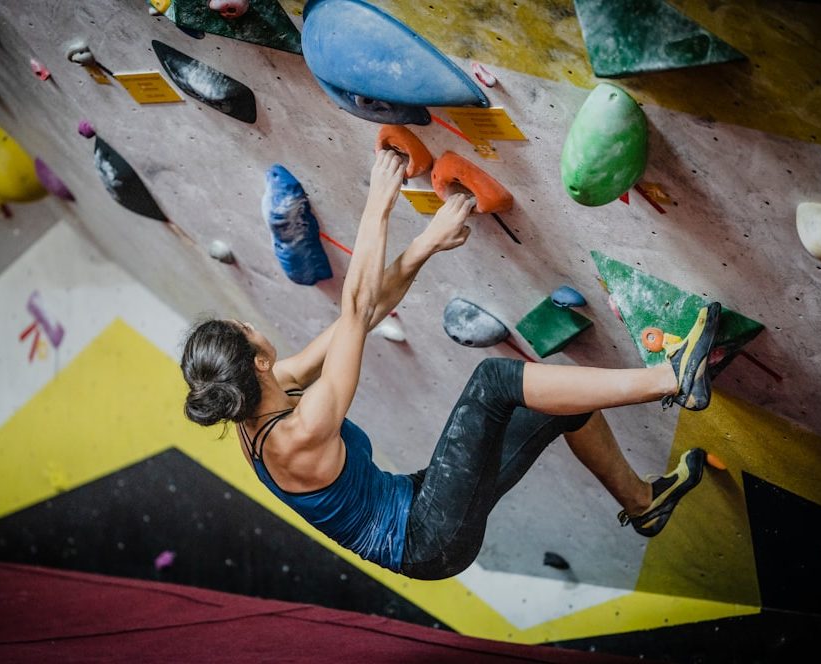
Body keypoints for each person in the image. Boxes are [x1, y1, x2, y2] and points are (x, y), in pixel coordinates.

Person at [180, 150, 719, 580]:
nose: (250, 324)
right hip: (427, 539)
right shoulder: (297, 433)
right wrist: (379, 201)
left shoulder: (274, 388)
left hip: (422, 502)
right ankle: (672, 378)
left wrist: (426, 246)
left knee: (558, 405)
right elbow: (356, 305)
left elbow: (364, 317)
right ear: (256, 360)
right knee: (495, 383)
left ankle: (644, 503)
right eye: (243, 329)